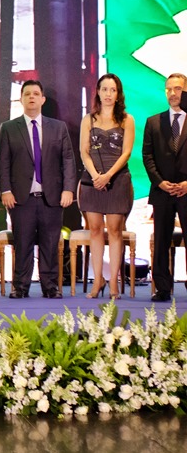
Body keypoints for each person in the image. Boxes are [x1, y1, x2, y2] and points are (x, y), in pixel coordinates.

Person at [0, 80, 76, 299]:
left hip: (52, 198)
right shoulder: (9, 128)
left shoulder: (58, 127)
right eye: (27, 94)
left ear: (43, 99)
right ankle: (20, 286)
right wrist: (5, 191)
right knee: (23, 244)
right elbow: (2, 162)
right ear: (21, 99)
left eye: (36, 93)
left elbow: (68, 159)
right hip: (21, 198)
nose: (31, 97)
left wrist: (69, 189)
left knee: (50, 244)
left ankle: (50, 286)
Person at [79, 73, 135, 299]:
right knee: (94, 229)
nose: (108, 94)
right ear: (98, 92)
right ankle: (97, 281)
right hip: (92, 180)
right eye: (104, 89)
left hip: (117, 179)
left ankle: (113, 283)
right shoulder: (88, 119)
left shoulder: (126, 119)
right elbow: (84, 151)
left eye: (113, 90)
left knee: (114, 230)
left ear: (118, 93)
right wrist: (95, 176)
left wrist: (108, 176)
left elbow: (127, 152)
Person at [143, 73, 187, 302]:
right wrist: (160, 182)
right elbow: (147, 156)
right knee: (161, 240)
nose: (173, 93)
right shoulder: (153, 122)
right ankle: (162, 287)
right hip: (162, 191)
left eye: (178, 89)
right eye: (169, 89)